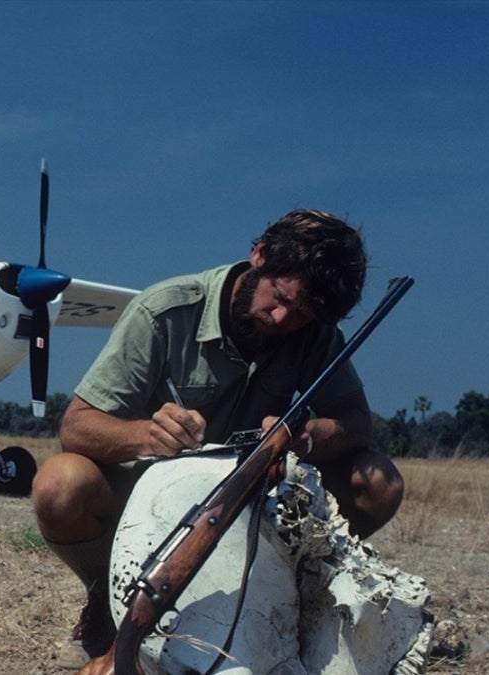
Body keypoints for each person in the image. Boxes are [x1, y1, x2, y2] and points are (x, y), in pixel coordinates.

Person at [31, 209, 405, 659]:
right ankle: (108, 601)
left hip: (256, 503)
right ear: (260, 255)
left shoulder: (316, 331)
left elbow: (356, 422)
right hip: (148, 502)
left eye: (303, 315)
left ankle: (289, 601)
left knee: (378, 482)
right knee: (59, 485)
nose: (284, 318)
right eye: (280, 297)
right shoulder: (165, 309)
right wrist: (148, 435)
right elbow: (77, 425)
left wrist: (301, 437)